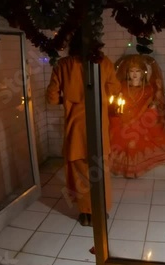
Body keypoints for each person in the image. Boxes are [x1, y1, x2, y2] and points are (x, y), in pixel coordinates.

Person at [45, 29, 121, 226]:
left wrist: (69, 99)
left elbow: (51, 98)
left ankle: (86, 215)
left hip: (76, 129)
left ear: (72, 43)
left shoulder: (62, 65)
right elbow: (115, 90)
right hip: (98, 126)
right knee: (100, 171)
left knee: (81, 174)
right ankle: (101, 212)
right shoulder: (104, 63)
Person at [108, 54, 165, 178]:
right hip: (125, 119)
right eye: (131, 71)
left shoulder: (148, 88)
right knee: (118, 129)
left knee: (149, 120)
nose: (134, 74)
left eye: (137, 71)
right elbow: (118, 103)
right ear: (127, 73)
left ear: (143, 73)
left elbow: (152, 105)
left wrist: (156, 98)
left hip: (141, 123)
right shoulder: (122, 86)